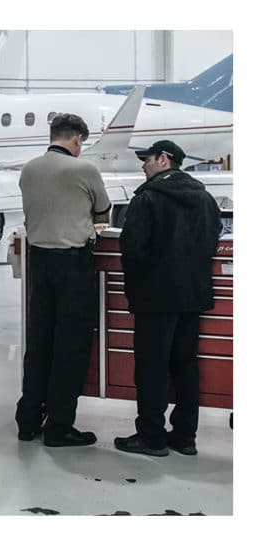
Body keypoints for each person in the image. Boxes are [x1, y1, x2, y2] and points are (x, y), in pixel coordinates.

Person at [114, 140, 222, 457]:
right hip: (193, 296)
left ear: (163, 159)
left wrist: (137, 287)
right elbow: (213, 239)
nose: (143, 165)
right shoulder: (204, 197)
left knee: (152, 367)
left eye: (147, 159)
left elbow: (131, 249)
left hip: (155, 298)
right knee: (185, 365)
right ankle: (185, 436)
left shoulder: (147, 198)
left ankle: (151, 437)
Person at [16, 113, 112, 447]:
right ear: (76, 139)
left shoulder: (29, 169)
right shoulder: (84, 169)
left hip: (40, 264)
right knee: (70, 346)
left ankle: (28, 420)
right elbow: (103, 209)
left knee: (39, 343)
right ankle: (59, 427)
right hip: (73, 265)